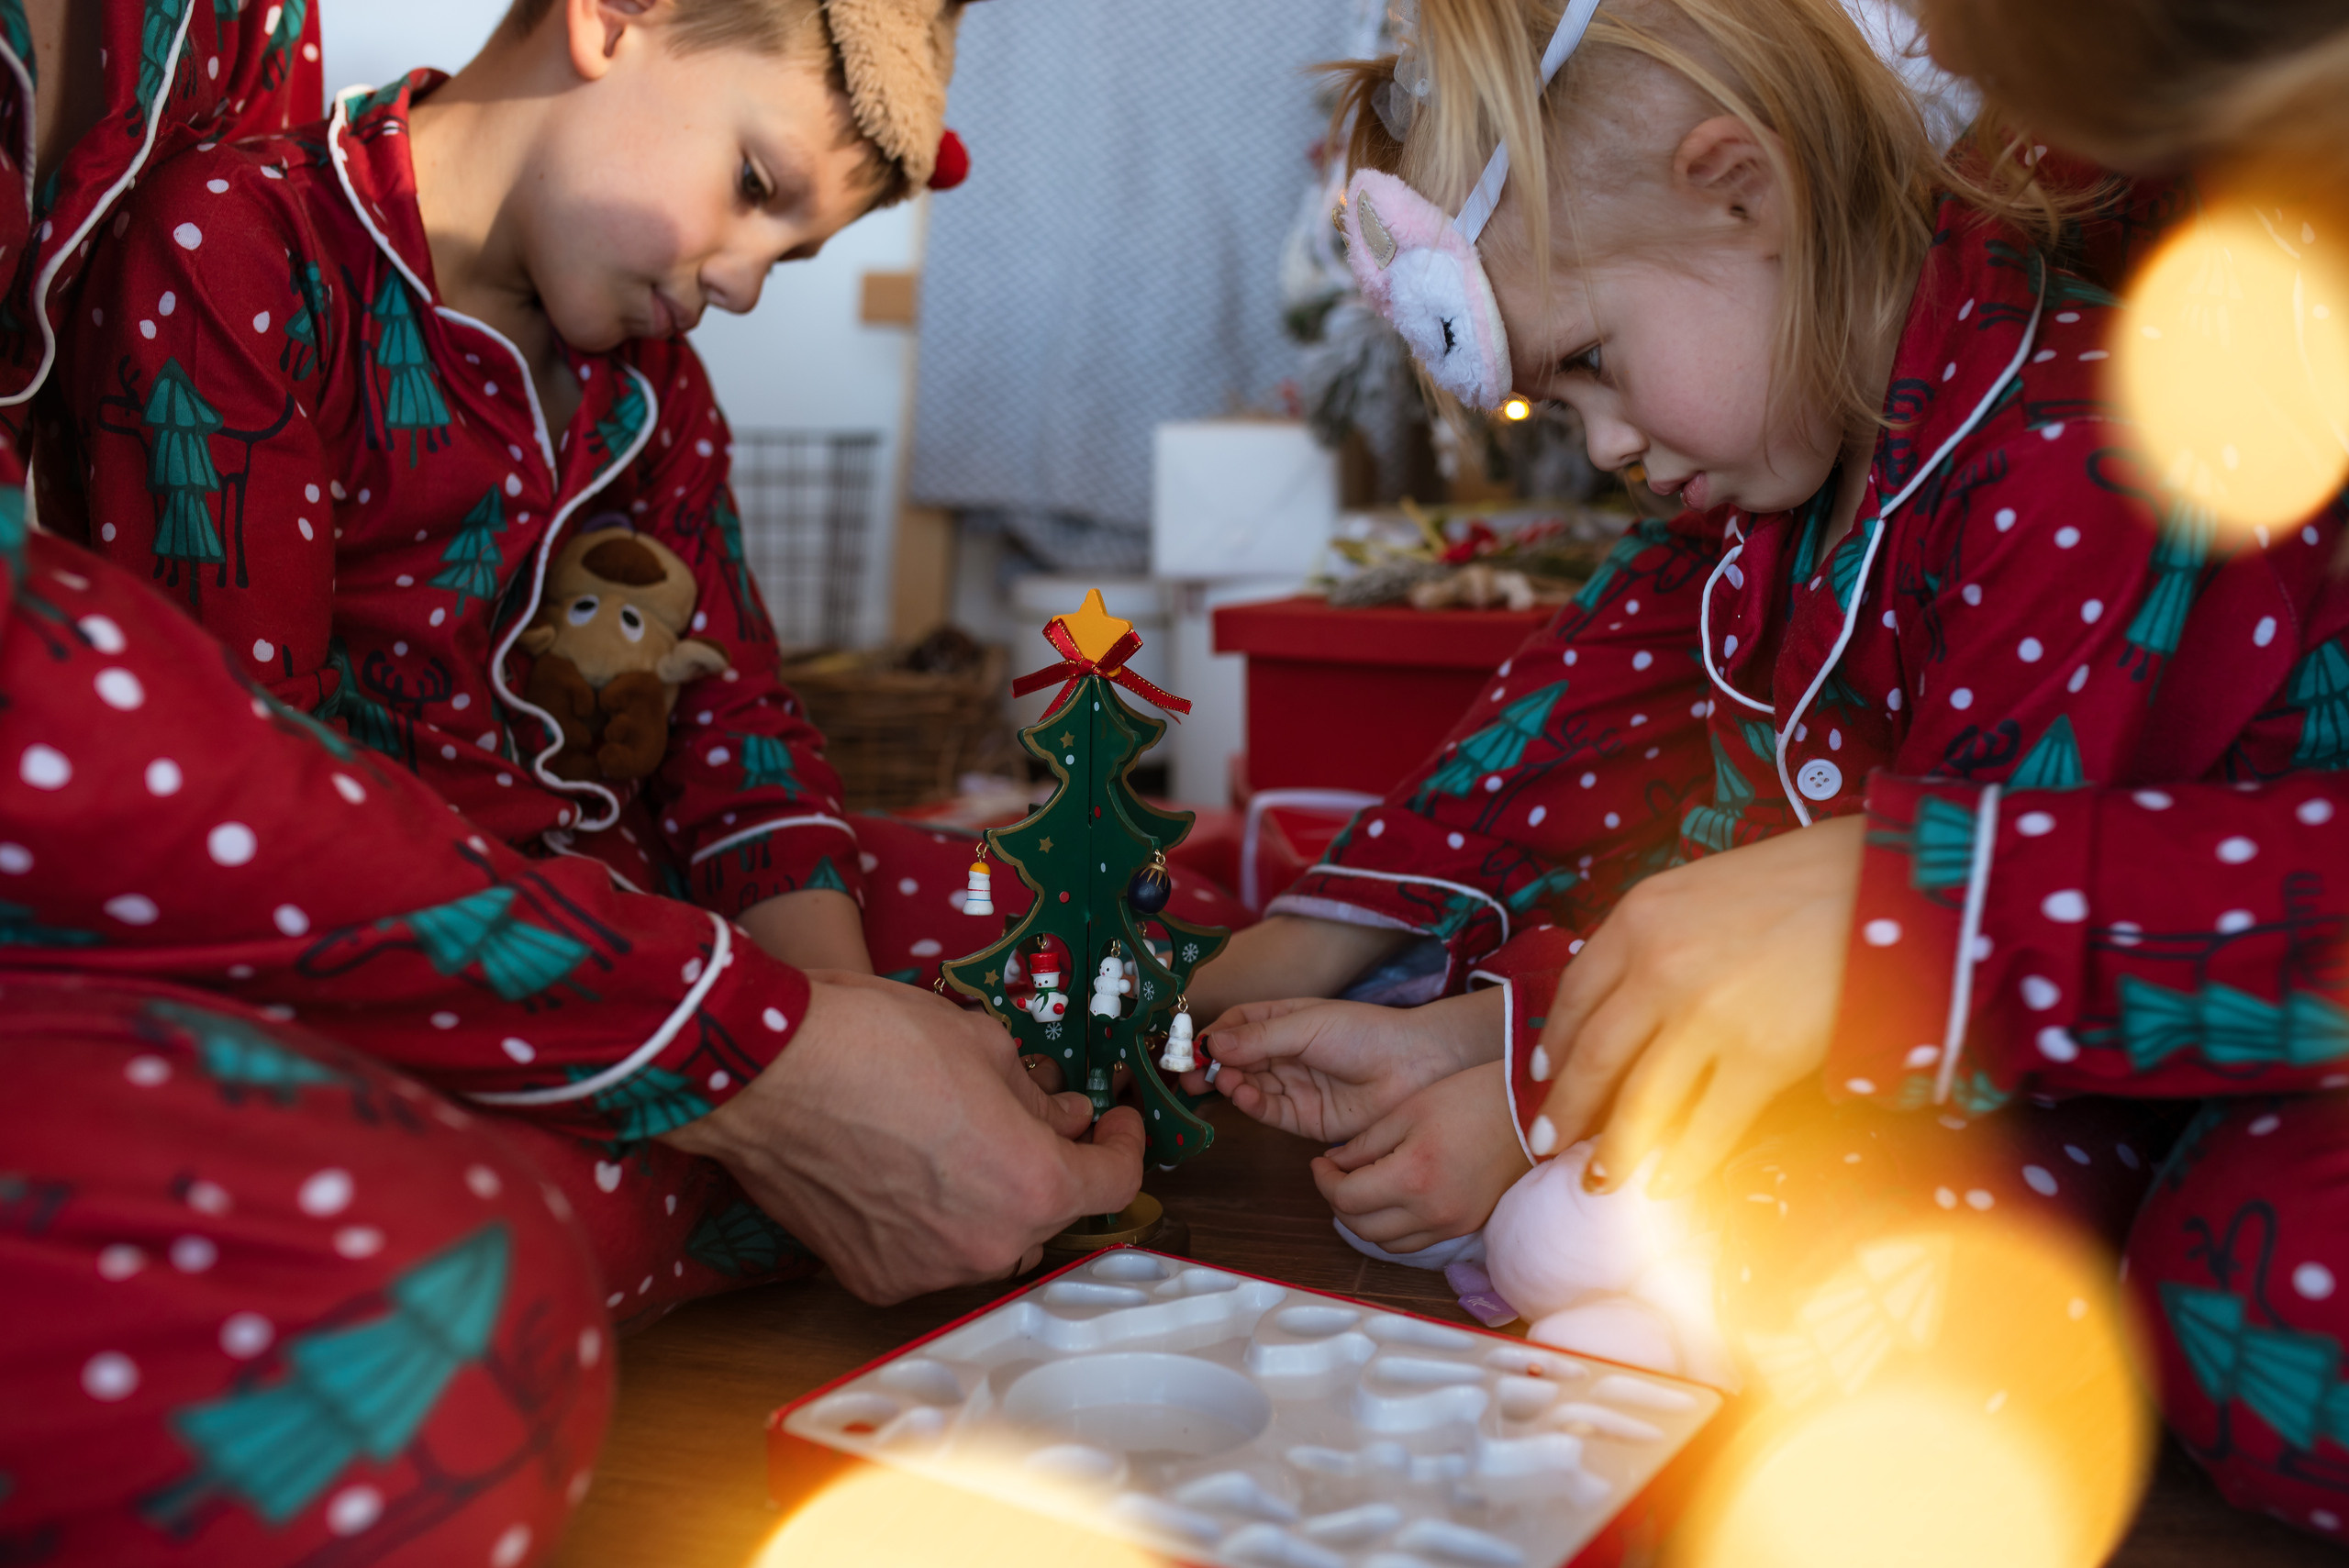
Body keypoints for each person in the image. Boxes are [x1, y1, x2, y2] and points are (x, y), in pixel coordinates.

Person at [0, 4, 1143, 1561]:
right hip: (409, 960)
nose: (742, 280)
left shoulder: (650, 383)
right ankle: (703, 1196)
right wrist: (783, 1067)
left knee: (1079, 920)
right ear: (612, 19)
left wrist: (851, 1022)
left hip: (638, 928)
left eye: (789, 254)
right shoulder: (240, 240)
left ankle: (781, 1178)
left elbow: (740, 728)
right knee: (481, 1245)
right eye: (753, 184)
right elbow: (253, 761)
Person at [1180, 0, 2343, 1269]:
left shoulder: (2082, 444)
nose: (1607, 445)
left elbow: (1915, 951)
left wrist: (1533, 1095)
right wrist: (1490, 1032)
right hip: (1962, 1021)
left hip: (2101, 1056)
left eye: (1593, 365)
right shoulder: (1787, 471)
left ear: (1740, 191)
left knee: (1650, 1224)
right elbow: (1719, 849)